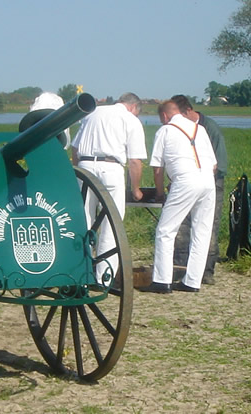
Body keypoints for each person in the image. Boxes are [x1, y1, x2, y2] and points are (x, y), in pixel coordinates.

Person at [140, 100, 217, 294]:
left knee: (165, 231)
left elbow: (158, 168)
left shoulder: (165, 131)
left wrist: (159, 194)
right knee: (202, 231)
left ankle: (162, 281)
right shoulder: (200, 130)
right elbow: (214, 165)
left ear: (164, 116)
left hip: (184, 181)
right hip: (208, 181)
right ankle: (192, 282)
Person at [71, 92, 147, 282]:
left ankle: (81, 272)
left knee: (84, 220)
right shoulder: (130, 119)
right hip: (111, 168)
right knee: (111, 223)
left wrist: (77, 170)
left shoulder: (93, 113)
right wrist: (136, 189)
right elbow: (135, 161)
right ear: (133, 107)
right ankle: (104, 277)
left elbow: (75, 148)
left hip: (85, 166)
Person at [170, 94, 228, 285]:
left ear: (187, 111)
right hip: (187, 181)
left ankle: (206, 270)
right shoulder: (182, 129)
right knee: (182, 226)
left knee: (208, 226)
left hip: (212, 182)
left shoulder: (209, 128)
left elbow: (218, 164)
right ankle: (180, 267)